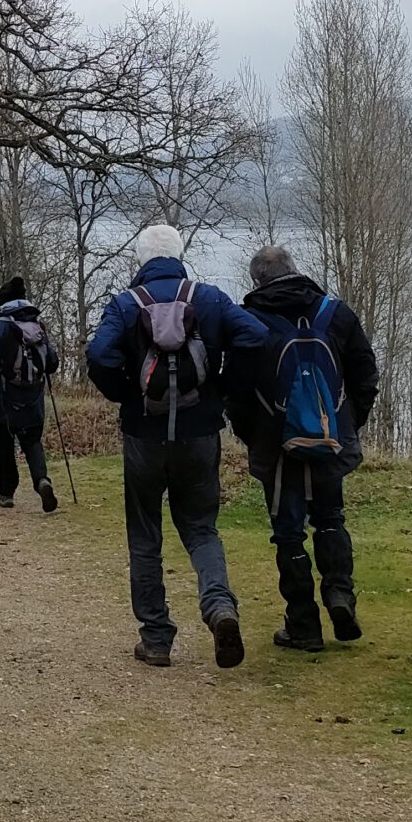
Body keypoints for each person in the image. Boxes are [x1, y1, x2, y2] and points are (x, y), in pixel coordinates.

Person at [86, 221, 269, 669]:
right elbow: (256, 335)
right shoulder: (209, 298)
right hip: (200, 434)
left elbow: (99, 355)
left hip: (144, 437)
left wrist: (127, 394)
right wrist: (222, 387)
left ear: (141, 259)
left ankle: (156, 639)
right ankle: (219, 607)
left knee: (145, 537)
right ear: (179, 254)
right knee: (202, 529)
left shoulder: (125, 304)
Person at [223, 243, 378, 652]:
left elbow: (234, 391)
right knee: (331, 518)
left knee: (288, 533)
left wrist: (255, 436)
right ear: (295, 269)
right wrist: (345, 424)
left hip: (277, 448)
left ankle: (304, 624)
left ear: (257, 280)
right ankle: (340, 595)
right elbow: (366, 375)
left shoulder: (248, 322)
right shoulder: (335, 313)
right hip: (330, 439)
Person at [0, 275, 60, 512]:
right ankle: (42, 480)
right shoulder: (37, 325)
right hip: (33, 398)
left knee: (5, 442)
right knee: (32, 441)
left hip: (4, 398)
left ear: (2, 301)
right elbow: (51, 363)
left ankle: (6, 493)